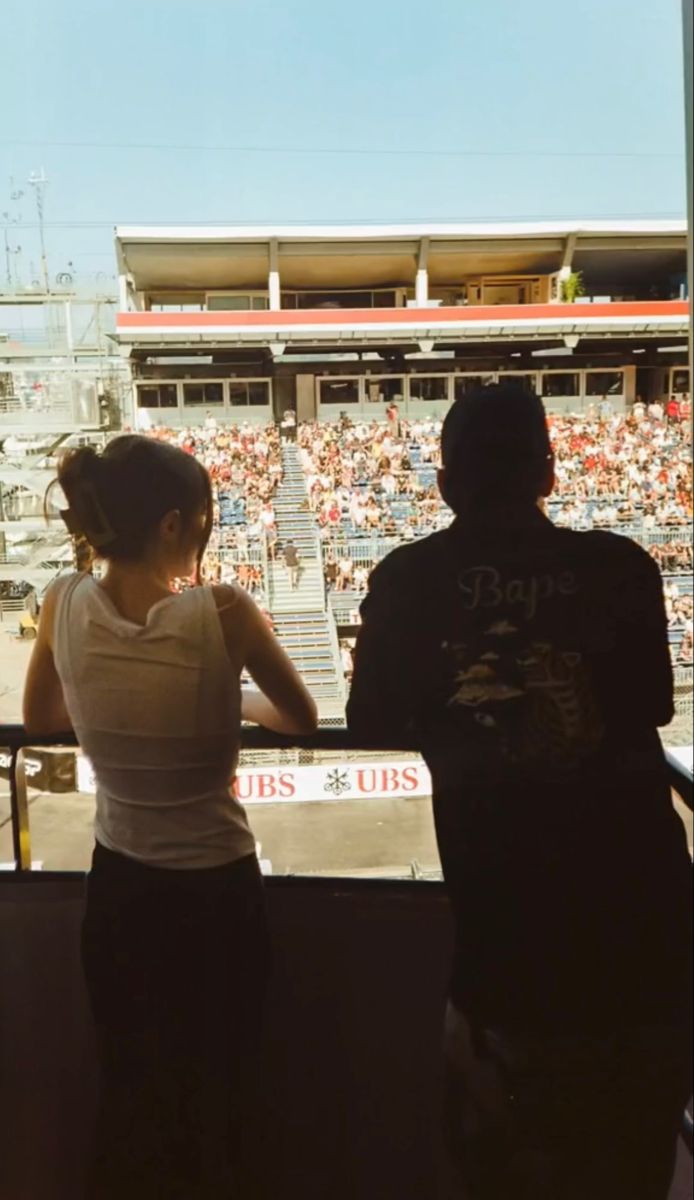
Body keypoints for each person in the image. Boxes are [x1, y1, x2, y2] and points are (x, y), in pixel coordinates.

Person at [347, 382, 691, 1200]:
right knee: (631, 1167)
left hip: (506, 948)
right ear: (548, 472)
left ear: (443, 486)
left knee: (504, 1169)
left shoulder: (406, 581)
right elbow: (652, 704)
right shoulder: (621, 566)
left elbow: (370, 721)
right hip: (648, 937)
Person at [22, 434, 317, 1199]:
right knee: (223, 1090)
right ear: (171, 526)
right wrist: (233, 700)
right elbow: (301, 716)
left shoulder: (62, 601)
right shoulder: (223, 612)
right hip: (218, 890)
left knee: (131, 1087)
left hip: (119, 885)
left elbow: (42, 716)